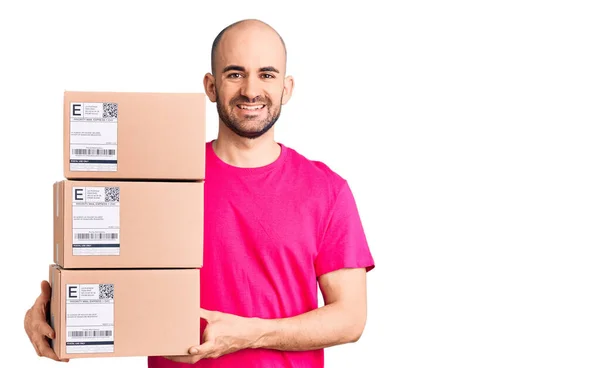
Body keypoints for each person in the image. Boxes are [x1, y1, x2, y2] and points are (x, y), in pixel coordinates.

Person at [24, 19, 375, 367]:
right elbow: (110, 271)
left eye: (266, 74)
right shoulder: (161, 182)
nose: (251, 90)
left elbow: (350, 317)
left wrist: (251, 333)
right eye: (234, 74)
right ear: (210, 86)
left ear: (287, 87)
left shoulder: (326, 189)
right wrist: (53, 314)